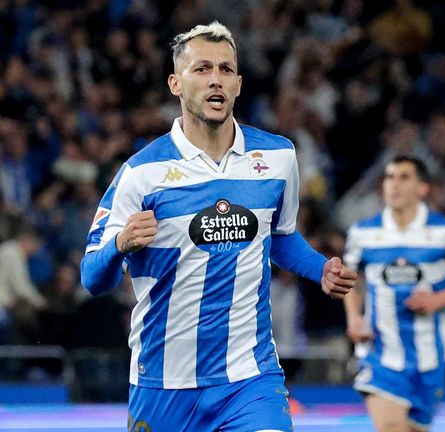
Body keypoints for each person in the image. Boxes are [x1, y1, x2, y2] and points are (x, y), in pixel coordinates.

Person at [79, 21, 356, 432]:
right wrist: (119, 244)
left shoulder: (278, 158)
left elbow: (278, 236)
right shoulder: (142, 173)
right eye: (202, 69)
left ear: (239, 84)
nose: (216, 81)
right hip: (163, 383)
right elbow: (92, 278)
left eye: (226, 70)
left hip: (249, 376)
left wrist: (320, 269)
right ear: (175, 83)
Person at [344, 155, 445, 432]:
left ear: (422, 188)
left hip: (431, 356)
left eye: (403, 177)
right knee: (390, 427)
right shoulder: (363, 233)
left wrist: (439, 300)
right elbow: (348, 280)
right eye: (389, 177)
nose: (394, 185)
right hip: (380, 352)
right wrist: (354, 318)